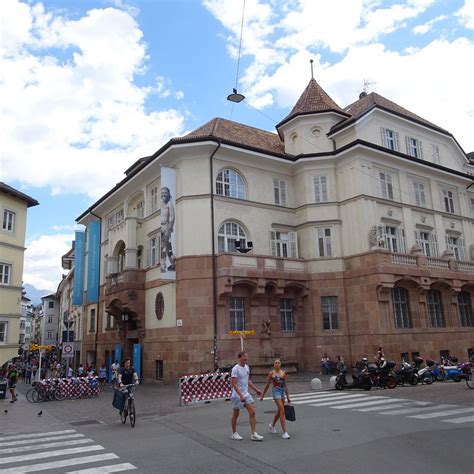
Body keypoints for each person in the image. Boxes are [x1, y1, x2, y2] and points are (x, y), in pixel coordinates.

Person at [230, 351, 264, 441]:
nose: (246, 358)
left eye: (247, 357)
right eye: (245, 357)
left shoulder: (247, 367)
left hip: (246, 394)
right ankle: (234, 433)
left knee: (252, 412)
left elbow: (248, 380)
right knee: (236, 414)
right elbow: (234, 383)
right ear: (240, 358)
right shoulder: (235, 369)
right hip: (237, 395)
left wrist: (256, 389)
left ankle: (253, 433)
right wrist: (240, 395)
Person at [260, 359, 291, 439]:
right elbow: (267, 385)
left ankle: (272, 425)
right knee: (282, 410)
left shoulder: (283, 373)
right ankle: (284, 432)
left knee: (279, 410)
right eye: (275, 363)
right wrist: (262, 395)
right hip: (276, 391)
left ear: (280, 364)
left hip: (282, 391)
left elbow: (286, 385)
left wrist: (288, 396)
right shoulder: (271, 374)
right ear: (274, 365)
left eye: (278, 363)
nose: (277, 364)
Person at [160, 186, 176, 272]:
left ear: (168, 194)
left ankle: (172, 264)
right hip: (160, 227)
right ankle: (164, 265)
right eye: (162, 193)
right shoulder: (160, 203)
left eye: (165, 193)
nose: (164, 194)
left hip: (166, 227)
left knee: (167, 248)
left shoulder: (170, 203)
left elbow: (172, 218)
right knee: (164, 247)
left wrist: (168, 230)